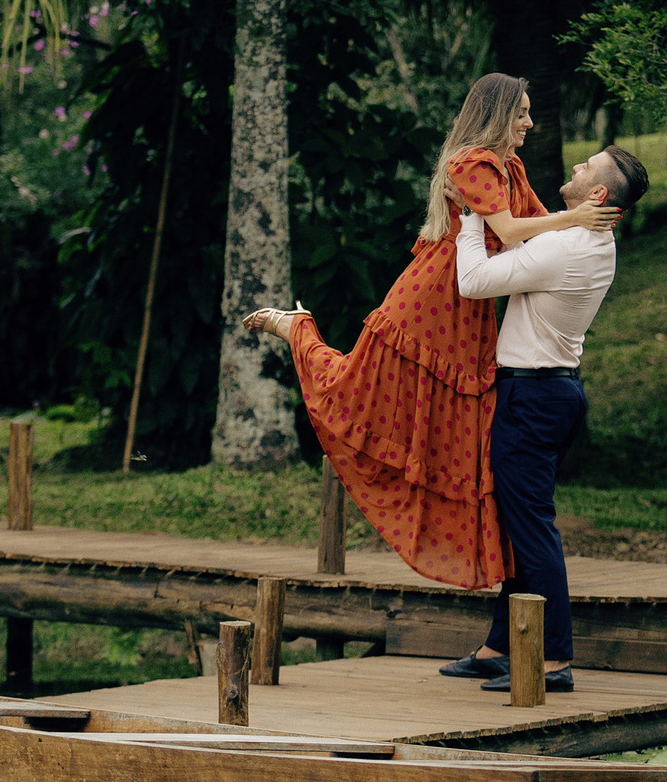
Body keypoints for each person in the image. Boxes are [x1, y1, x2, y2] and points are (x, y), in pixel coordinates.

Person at [242, 74, 619, 589]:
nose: (530, 123)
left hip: (469, 313)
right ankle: (297, 328)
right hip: (432, 299)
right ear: (495, 115)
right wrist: (576, 217)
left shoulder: (509, 166)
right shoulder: (472, 163)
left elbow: (533, 227)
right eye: (521, 114)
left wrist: (579, 222)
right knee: (355, 391)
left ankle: (501, 601)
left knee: (462, 440)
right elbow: (510, 233)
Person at [439, 143, 649, 692]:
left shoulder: (568, 249)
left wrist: (469, 220)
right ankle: (497, 648)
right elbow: (523, 233)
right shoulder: (582, 241)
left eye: (587, 168)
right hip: (548, 392)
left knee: (532, 528)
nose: (576, 167)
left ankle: (555, 660)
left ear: (598, 194)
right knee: (520, 522)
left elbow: (474, 282)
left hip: (532, 396)